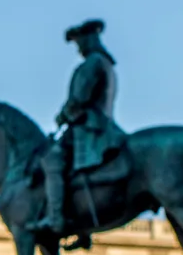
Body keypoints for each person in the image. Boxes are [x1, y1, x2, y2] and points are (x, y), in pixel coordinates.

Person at [27, 19, 124, 234]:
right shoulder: (106, 64)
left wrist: (62, 116)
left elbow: (78, 99)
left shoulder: (92, 64)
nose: (79, 49)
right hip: (102, 125)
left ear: (88, 40)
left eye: (80, 44)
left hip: (90, 129)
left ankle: (56, 219)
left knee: (51, 161)